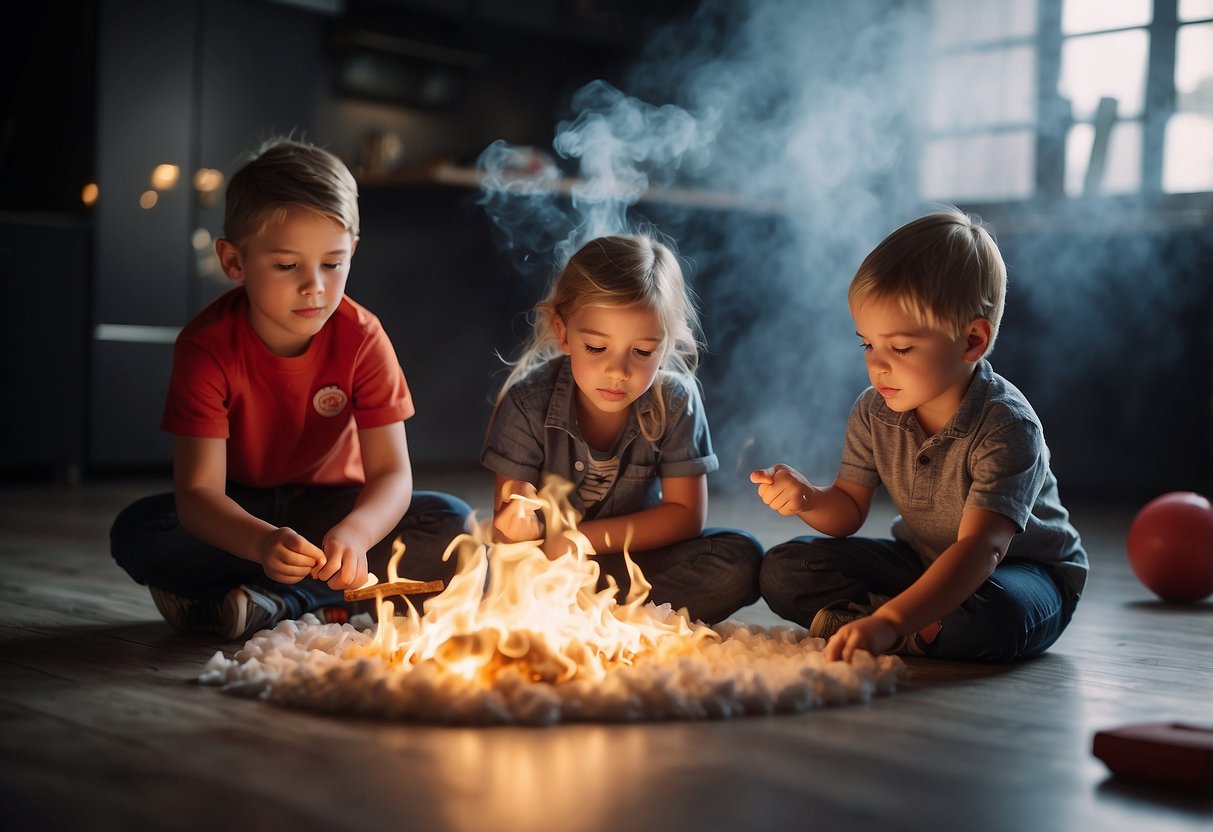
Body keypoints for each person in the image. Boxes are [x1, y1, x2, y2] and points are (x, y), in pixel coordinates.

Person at [110, 138, 472, 641]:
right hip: (242, 512)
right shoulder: (206, 346)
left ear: (353, 253)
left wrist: (357, 533)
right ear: (234, 262)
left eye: (332, 263)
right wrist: (260, 543)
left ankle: (271, 600)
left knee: (455, 525)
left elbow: (391, 474)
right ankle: (312, 600)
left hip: (333, 510)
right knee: (139, 532)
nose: (315, 287)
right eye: (287, 266)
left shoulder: (362, 337)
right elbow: (198, 495)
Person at [752, 207, 1087, 663]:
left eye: (901, 347)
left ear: (972, 341)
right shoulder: (874, 410)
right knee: (784, 569)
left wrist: (890, 619)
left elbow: (981, 549)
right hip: (923, 561)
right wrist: (807, 498)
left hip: (1021, 573)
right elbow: (849, 509)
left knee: (990, 615)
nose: (877, 365)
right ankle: (916, 630)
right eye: (867, 343)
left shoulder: (1007, 426)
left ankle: (892, 626)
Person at [482, 233, 763, 624]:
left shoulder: (676, 401)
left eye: (643, 352)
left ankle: (595, 612)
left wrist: (580, 540)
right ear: (563, 333)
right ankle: (602, 612)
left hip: (635, 563)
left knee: (740, 557)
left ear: (665, 347)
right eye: (597, 348)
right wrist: (518, 521)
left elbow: (685, 515)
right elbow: (510, 530)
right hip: (548, 572)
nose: (618, 371)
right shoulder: (528, 402)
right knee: (468, 562)